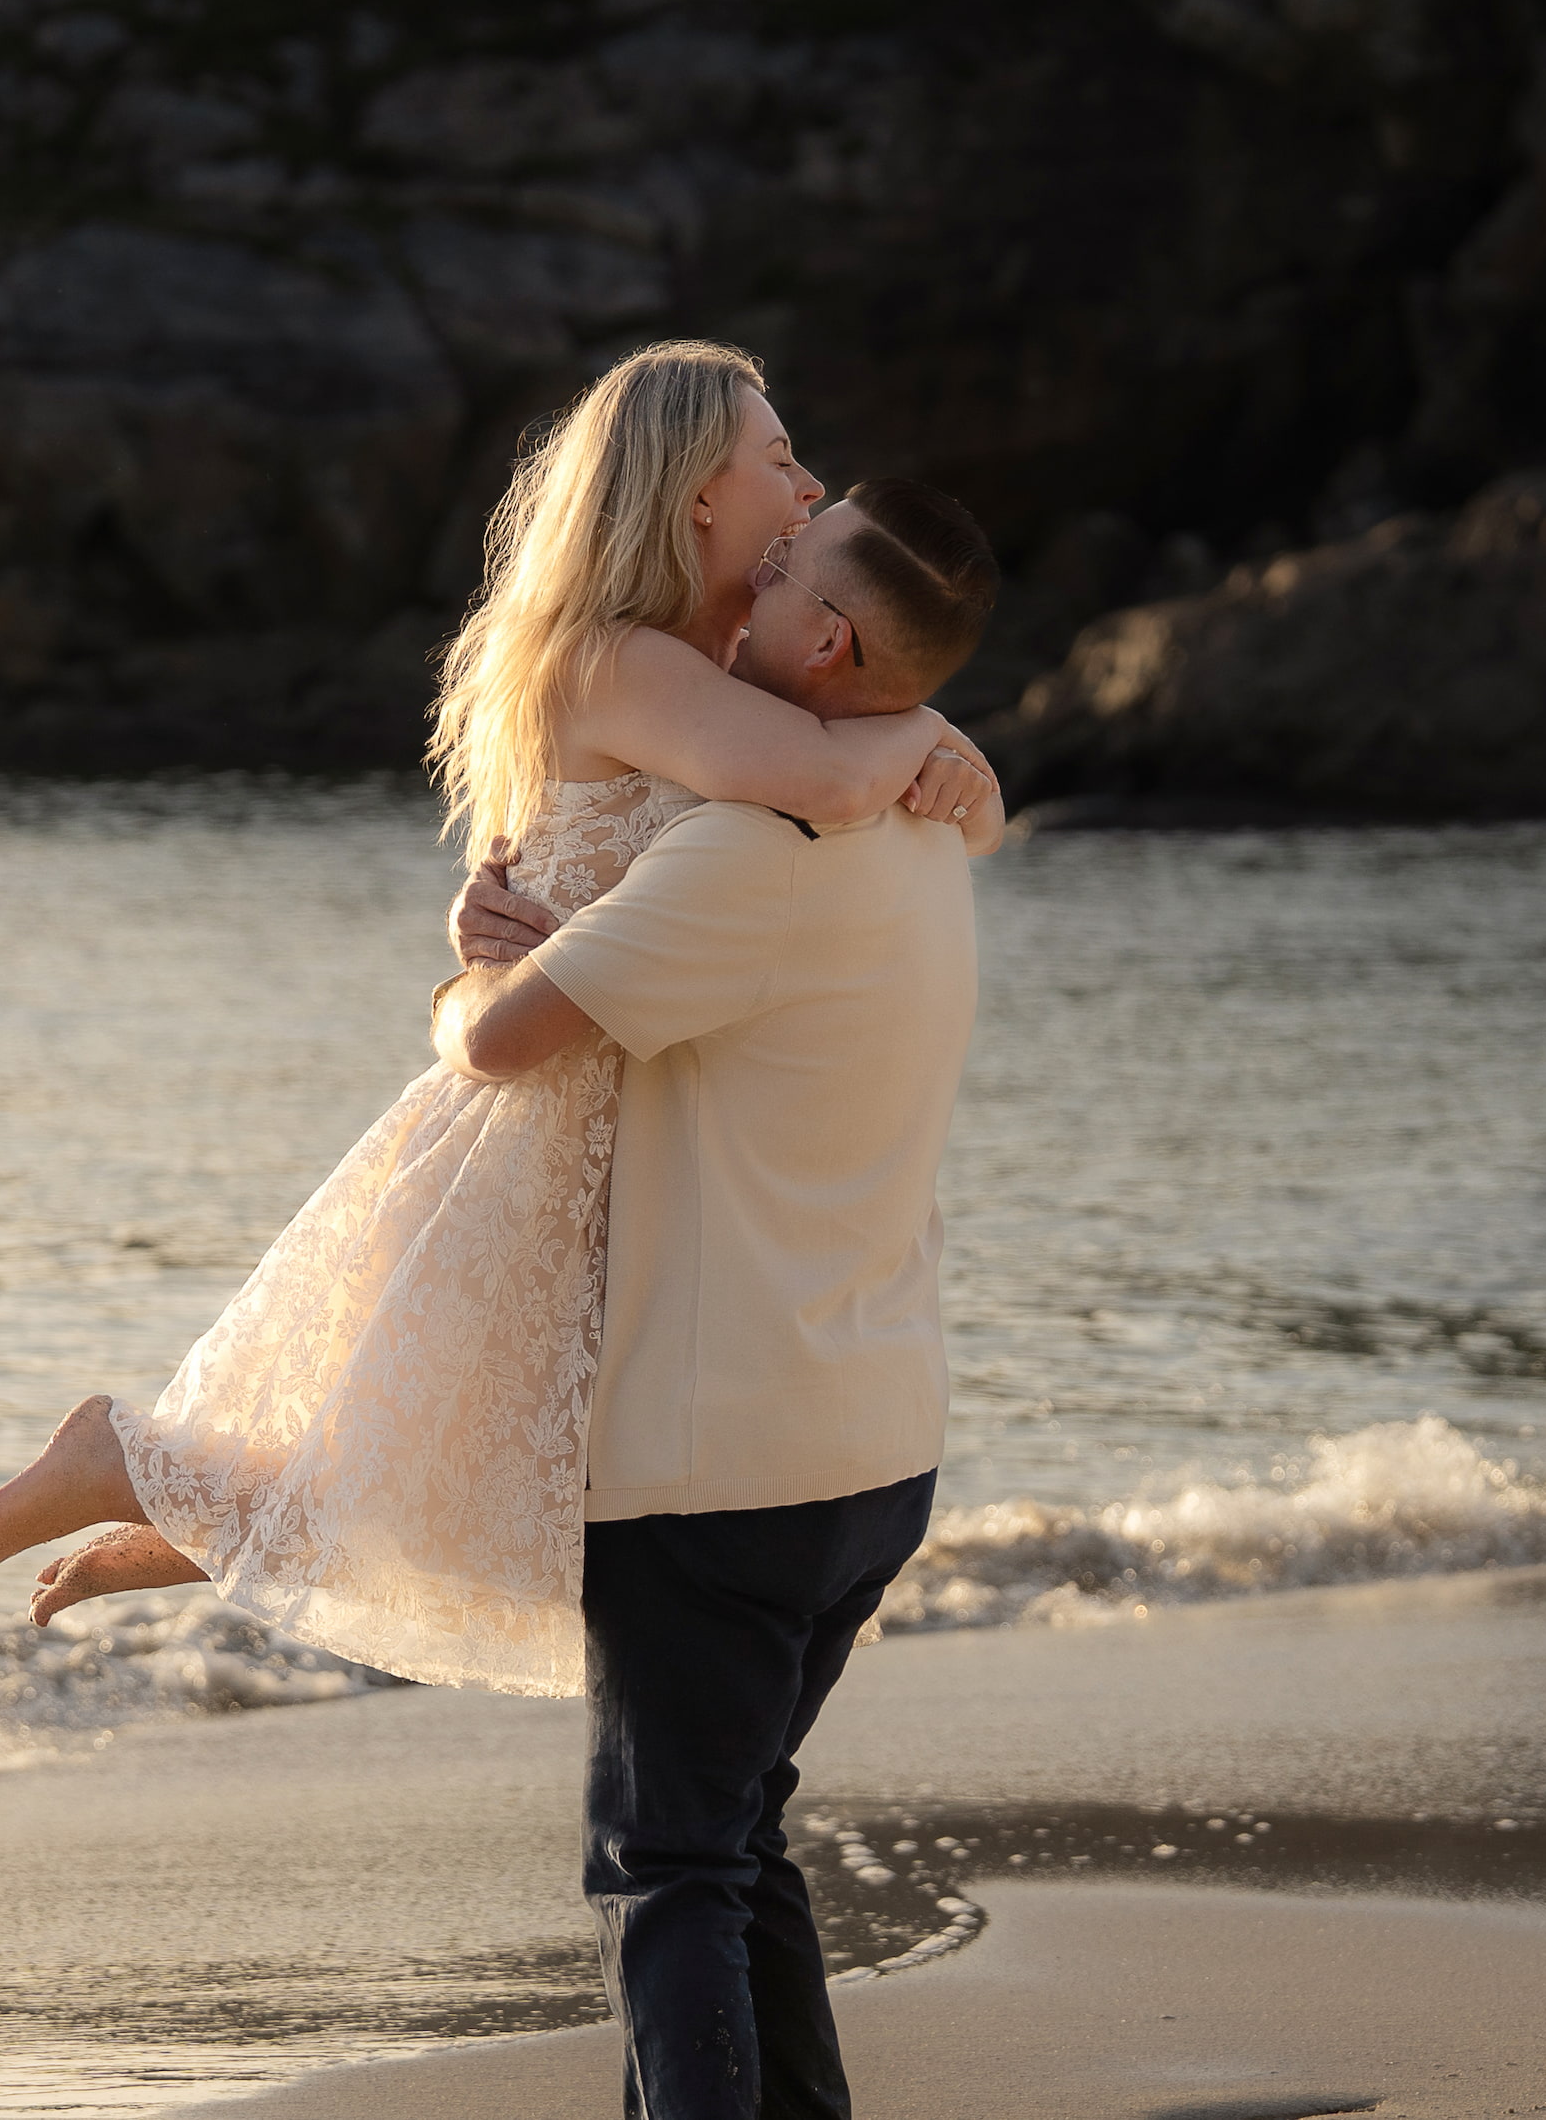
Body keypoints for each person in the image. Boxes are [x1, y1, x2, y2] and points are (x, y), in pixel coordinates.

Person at [0, 340, 1000, 1704]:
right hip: (548, 1107)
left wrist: (934, 746)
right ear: (694, 501)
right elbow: (819, 778)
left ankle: (178, 1518)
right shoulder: (613, 658)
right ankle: (131, 1462)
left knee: (481, 1484)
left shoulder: (719, 656)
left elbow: (864, 772)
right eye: (778, 457)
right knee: (478, 1484)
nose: (804, 484)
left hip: (618, 1092)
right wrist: (923, 737)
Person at [435, 476, 996, 2119]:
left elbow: (493, 1047)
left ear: (826, 640)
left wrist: (486, 951)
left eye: (788, 569)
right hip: (878, 1450)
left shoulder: (746, 860)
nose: (752, 572)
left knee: (663, 1872)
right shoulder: (923, 831)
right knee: (735, 1840)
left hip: (716, 1466)